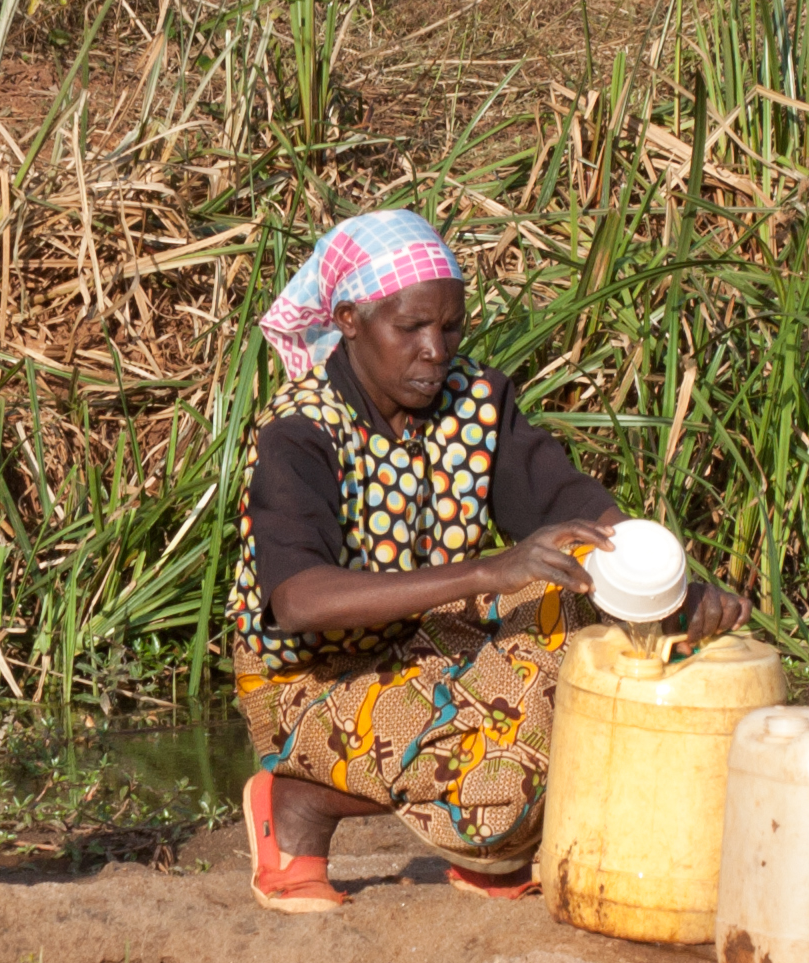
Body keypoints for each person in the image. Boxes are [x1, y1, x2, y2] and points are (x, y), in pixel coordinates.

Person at [231, 210, 741, 913]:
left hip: (425, 646)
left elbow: (576, 511)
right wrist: (487, 572)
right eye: (410, 329)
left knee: (591, 608)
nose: (436, 350)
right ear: (349, 319)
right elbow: (299, 601)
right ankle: (294, 798)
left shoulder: (477, 402)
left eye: (450, 328)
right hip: (312, 679)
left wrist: (669, 589)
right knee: (503, 748)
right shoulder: (300, 433)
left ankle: (494, 851)